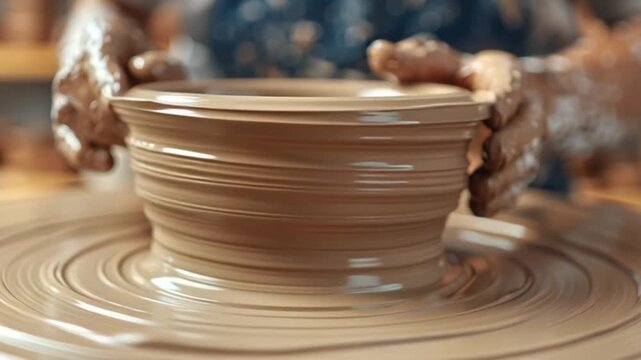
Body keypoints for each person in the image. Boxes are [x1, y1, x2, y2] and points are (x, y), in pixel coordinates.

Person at [52, 0, 641, 216]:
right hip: (229, 228)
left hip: (493, 232)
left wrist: (553, 96)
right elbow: (111, 8)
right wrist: (90, 39)